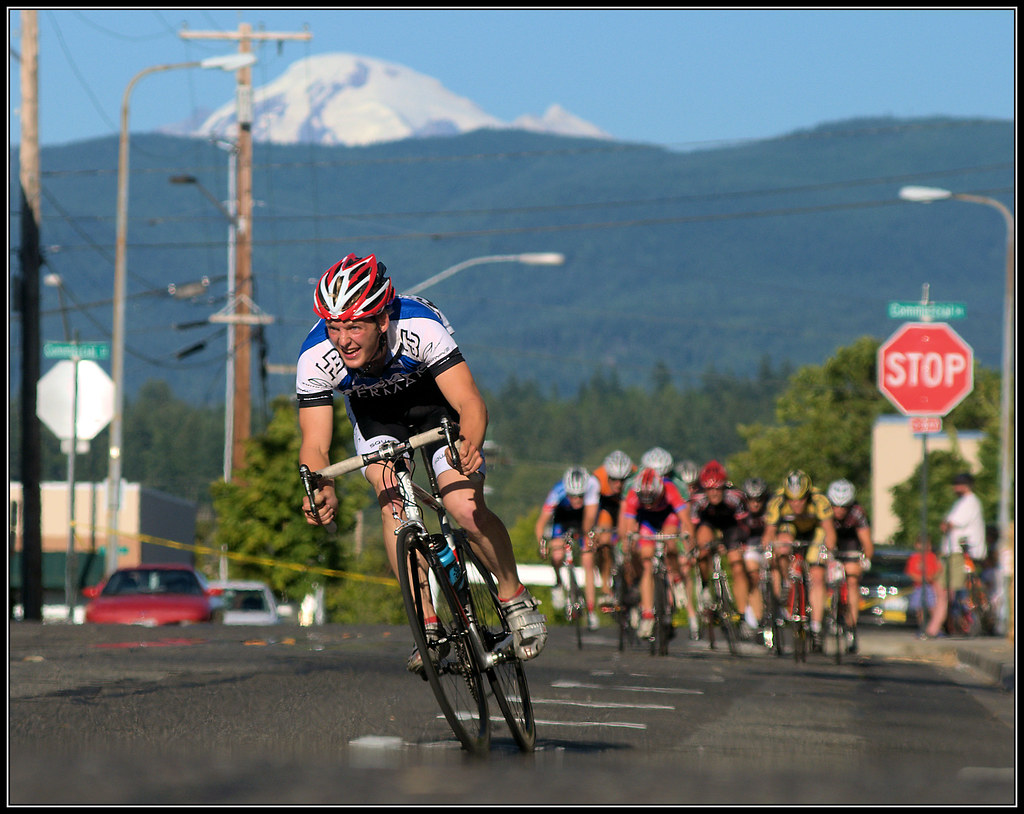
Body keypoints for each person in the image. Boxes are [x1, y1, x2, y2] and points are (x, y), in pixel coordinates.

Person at [296, 253, 547, 672]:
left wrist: (470, 443)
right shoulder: (315, 355)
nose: (343, 340)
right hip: (377, 419)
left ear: (382, 321)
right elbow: (315, 445)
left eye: (354, 327)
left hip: (437, 408)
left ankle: (513, 596)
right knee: (391, 499)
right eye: (334, 327)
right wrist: (322, 487)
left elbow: (469, 402)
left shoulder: (419, 326)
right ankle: (427, 623)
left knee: (463, 507)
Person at [761, 469, 837, 653]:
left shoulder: (820, 501)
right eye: (791, 500)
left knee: (817, 576)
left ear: (808, 495)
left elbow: (830, 532)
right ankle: (788, 581)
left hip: (814, 532)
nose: (796, 504)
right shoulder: (778, 501)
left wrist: (828, 553)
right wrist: (768, 552)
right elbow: (769, 534)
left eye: (801, 499)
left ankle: (816, 628)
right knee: (782, 544)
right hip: (791, 529)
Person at [617, 467, 695, 639]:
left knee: (671, 543)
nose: (648, 504)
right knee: (646, 561)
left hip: (668, 518)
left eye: (652, 499)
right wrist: (629, 550)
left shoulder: (670, 489)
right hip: (647, 522)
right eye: (644, 500)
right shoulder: (633, 495)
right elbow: (628, 530)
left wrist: (689, 544)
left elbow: (685, 520)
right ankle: (647, 615)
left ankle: (676, 578)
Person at [688, 460, 755, 637]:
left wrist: (739, 545)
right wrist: (693, 547)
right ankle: (705, 586)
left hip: (730, 527)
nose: (714, 493)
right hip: (707, 525)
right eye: (710, 489)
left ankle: (742, 615)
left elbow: (744, 525)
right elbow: (692, 527)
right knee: (702, 545)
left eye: (718, 489)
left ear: (724, 487)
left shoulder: (736, 497)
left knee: (737, 565)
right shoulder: (697, 499)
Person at [535, 465, 602, 629]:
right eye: (572, 496)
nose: (576, 500)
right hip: (562, 520)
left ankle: (591, 611)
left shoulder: (592, 487)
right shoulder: (557, 491)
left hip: (583, 519)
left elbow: (590, 519)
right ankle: (558, 583)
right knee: (557, 555)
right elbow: (541, 523)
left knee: (588, 561)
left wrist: (587, 538)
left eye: (580, 496)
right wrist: (542, 544)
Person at [925, 471, 986, 638]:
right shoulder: (961, 503)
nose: (955, 488)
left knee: (948, 590)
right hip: (952, 551)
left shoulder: (970, 502)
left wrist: (945, 525)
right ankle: (937, 626)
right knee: (942, 589)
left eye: (959, 485)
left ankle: (936, 627)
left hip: (959, 552)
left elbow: (950, 524)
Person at [826, 478, 874, 654]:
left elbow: (867, 542)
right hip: (832, 544)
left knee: (852, 580)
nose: (839, 511)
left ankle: (851, 625)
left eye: (844, 507)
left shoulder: (857, 513)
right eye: (835, 506)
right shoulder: (824, 512)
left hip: (851, 545)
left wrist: (866, 559)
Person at [592, 450, 636, 608]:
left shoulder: (636, 477)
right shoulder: (597, 479)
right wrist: (593, 532)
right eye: (614, 480)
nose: (618, 484)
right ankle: (605, 588)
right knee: (603, 542)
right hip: (607, 508)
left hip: (628, 508)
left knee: (631, 543)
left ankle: (632, 583)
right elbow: (592, 510)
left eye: (622, 480)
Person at [739, 476, 770, 636]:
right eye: (751, 500)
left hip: (769, 546)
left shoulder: (771, 508)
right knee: (752, 575)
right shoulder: (740, 510)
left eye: (759, 500)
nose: (755, 504)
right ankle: (756, 619)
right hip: (751, 546)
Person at [905, 536, 940, 630]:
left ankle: (935, 628)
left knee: (933, 607)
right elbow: (911, 573)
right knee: (920, 609)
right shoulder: (914, 558)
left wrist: (931, 577)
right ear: (917, 545)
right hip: (918, 587)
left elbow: (937, 570)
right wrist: (921, 579)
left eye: (928, 544)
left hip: (930, 587)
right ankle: (923, 628)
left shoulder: (932, 557)